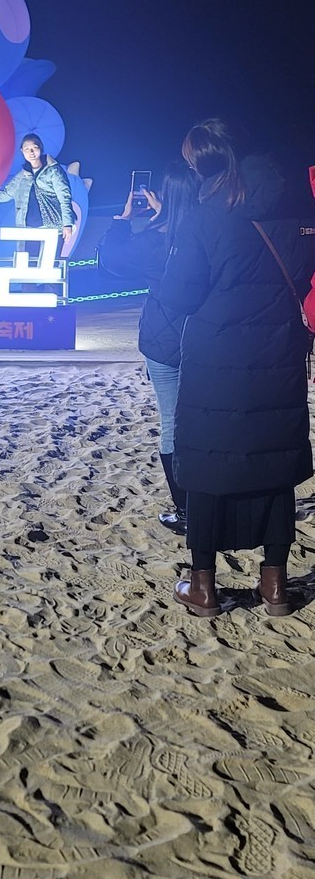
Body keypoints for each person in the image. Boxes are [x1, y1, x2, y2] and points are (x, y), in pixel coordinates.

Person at [159, 119, 315, 619]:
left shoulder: (203, 217)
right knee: (274, 465)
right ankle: (275, 586)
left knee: (207, 465)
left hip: (216, 362)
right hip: (279, 355)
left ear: (203, 165)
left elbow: (180, 295)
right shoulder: (297, 209)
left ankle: (203, 587)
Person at [98, 162, 199, 532]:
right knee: (208, 419)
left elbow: (111, 261)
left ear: (164, 196)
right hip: (207, 339)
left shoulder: (155, 238)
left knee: (172, 421)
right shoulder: (209, 232)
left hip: (164, 341)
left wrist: (124, 220)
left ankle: (186, 510)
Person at [0, 133, 76, 243]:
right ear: (22, 151)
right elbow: (5, 195)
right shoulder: (22, 175)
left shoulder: (53, 170)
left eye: (35, 148)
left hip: (53, 227)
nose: (31, 152)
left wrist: (67, 224)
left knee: (51, 254)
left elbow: (64, 197)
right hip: (27, 228)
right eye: (27, 149)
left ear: (40, 148)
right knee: (28, 254)